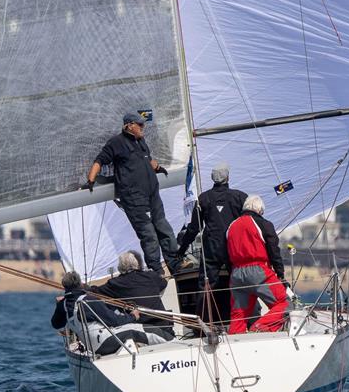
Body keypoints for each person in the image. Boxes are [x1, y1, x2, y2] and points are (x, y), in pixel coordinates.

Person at [82, 112, 179, 274]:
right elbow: (99, 160)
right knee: (149, 235)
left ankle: (174, 264)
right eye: (140, 125)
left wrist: (157, 167)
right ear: (129, 125)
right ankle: (157, 270)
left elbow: (147, 159)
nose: (143, 128)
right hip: (134, 198)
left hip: (152, 194)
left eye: (143, 124)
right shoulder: (116, 143)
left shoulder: (141, 141)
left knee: (164, 229)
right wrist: (91, 181)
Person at [176, 162, 248, 320]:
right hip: (233, 247)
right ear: (228, 178)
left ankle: (202, 322)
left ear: (212, 179)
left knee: (206, 286)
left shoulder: (203, 199)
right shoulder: (240, 197)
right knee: (239, 283)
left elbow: (194, 228)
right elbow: (249, 224)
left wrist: (181, 251)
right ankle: (246, 319)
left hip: (211, 248)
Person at [226, 195, 289, 333]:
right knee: (286, 304)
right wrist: (280, 274)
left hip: (236, 274)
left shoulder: (231, 226)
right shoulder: (263, 224)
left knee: (239, 315)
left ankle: (234, 339)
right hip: (258, 271)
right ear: (260, 210)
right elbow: (274, 250)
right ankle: (260, 327)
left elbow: (225, 253)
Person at [51, 270, 150, 356]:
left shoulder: (63, 305)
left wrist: (59, 305)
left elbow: (56, 324)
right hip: (104, 343)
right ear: (79, 284)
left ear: (65, 287)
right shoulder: (88, 301)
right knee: (141, 329)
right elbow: (114, 321)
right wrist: (133, 316)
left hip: (91, 347)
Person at [89, 251, 175, 342]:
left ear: (120, 267)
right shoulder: (151, 276)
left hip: (142, 330)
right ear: (137, 264)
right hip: (164, 326)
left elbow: (95, 292)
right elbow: (163, 283)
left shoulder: (116, 283)